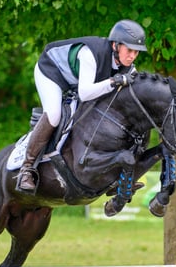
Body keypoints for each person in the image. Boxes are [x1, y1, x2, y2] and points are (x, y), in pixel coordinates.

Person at [16, 19, 148, 193]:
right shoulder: (90, 54)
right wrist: (114, 81)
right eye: (129, 50)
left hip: (75, 81)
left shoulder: (128, 67)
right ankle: (27, 168)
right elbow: (85, 93)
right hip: (51, 72)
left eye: (136, 52)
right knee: (54, 114)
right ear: (116, 45)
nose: (132, 56)